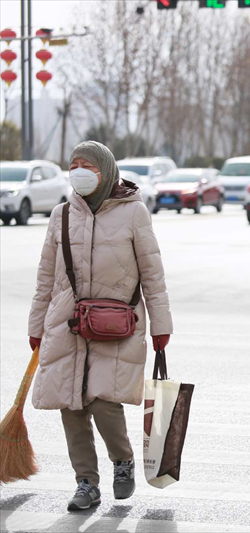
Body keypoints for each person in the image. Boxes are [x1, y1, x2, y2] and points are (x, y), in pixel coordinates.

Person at [27, 141, 173, 511]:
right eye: (73, 164)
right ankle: (85, 483)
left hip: (116, 323)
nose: (78, 171)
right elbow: (46, 277)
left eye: (86, 165)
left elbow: (153, 274)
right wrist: (37, 325)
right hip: (66, 322)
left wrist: (161, 325)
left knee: (103, 399)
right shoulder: (61, 215)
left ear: (104, 171)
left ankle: (122, 463)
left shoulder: (134, 213)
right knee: (70, 403)